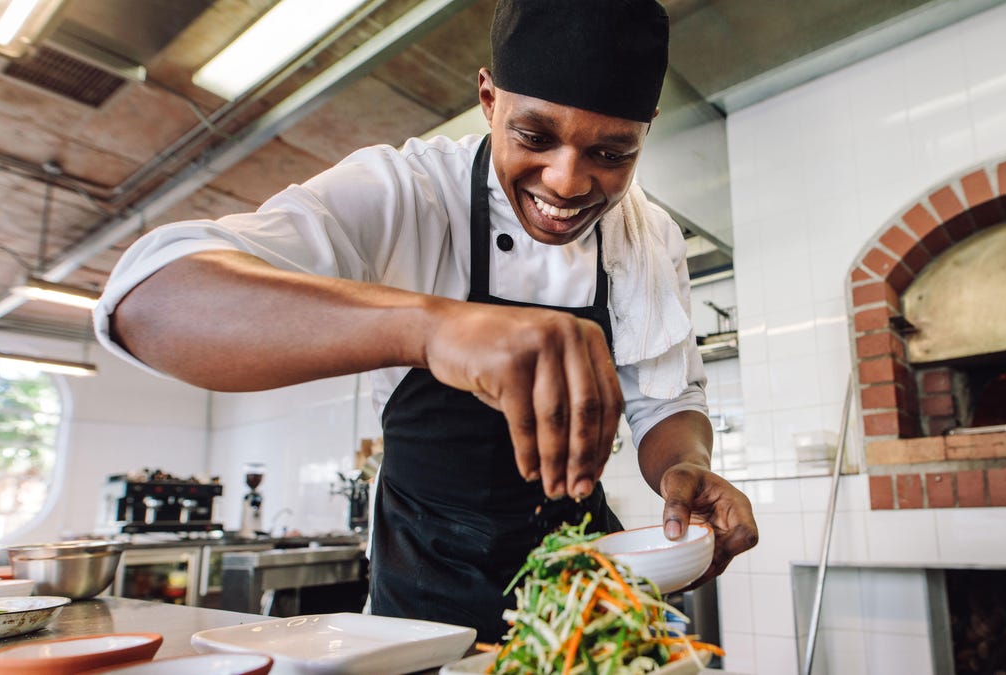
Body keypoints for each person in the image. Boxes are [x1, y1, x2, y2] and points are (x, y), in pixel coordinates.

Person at [94, 0, 757, 642]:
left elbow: (666, 397)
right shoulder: (405, 192)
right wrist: (430, 329)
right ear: (489, 99)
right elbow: (148, 299)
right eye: (535, 136)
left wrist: (684, 465)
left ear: (646, 132)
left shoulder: (648, 237)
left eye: (612, 154)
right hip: (420, 596)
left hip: (582, 596)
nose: (566, 181)